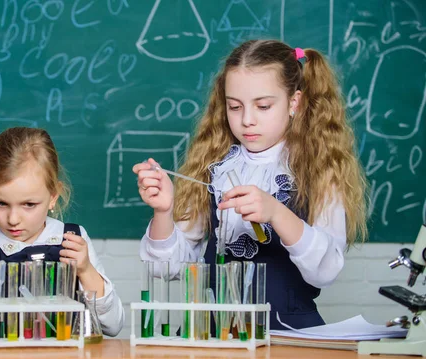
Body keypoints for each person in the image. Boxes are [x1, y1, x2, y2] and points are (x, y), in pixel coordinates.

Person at [133, 39, 367, 330]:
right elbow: (165, 270)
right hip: (212, 332)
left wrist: (277, 213)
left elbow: (326, 270)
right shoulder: (213, 167)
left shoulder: (319, 171)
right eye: (234, 107)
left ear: (294, 102)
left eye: (263, 106)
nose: (247, 120)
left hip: (288, 334)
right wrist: (163, 212)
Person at [0, 127, 124, 337]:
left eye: (28, 204)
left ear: (53, 196)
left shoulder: (73, 240)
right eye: (0, 203)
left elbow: (113, 325)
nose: (13, 219)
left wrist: (86, 270)